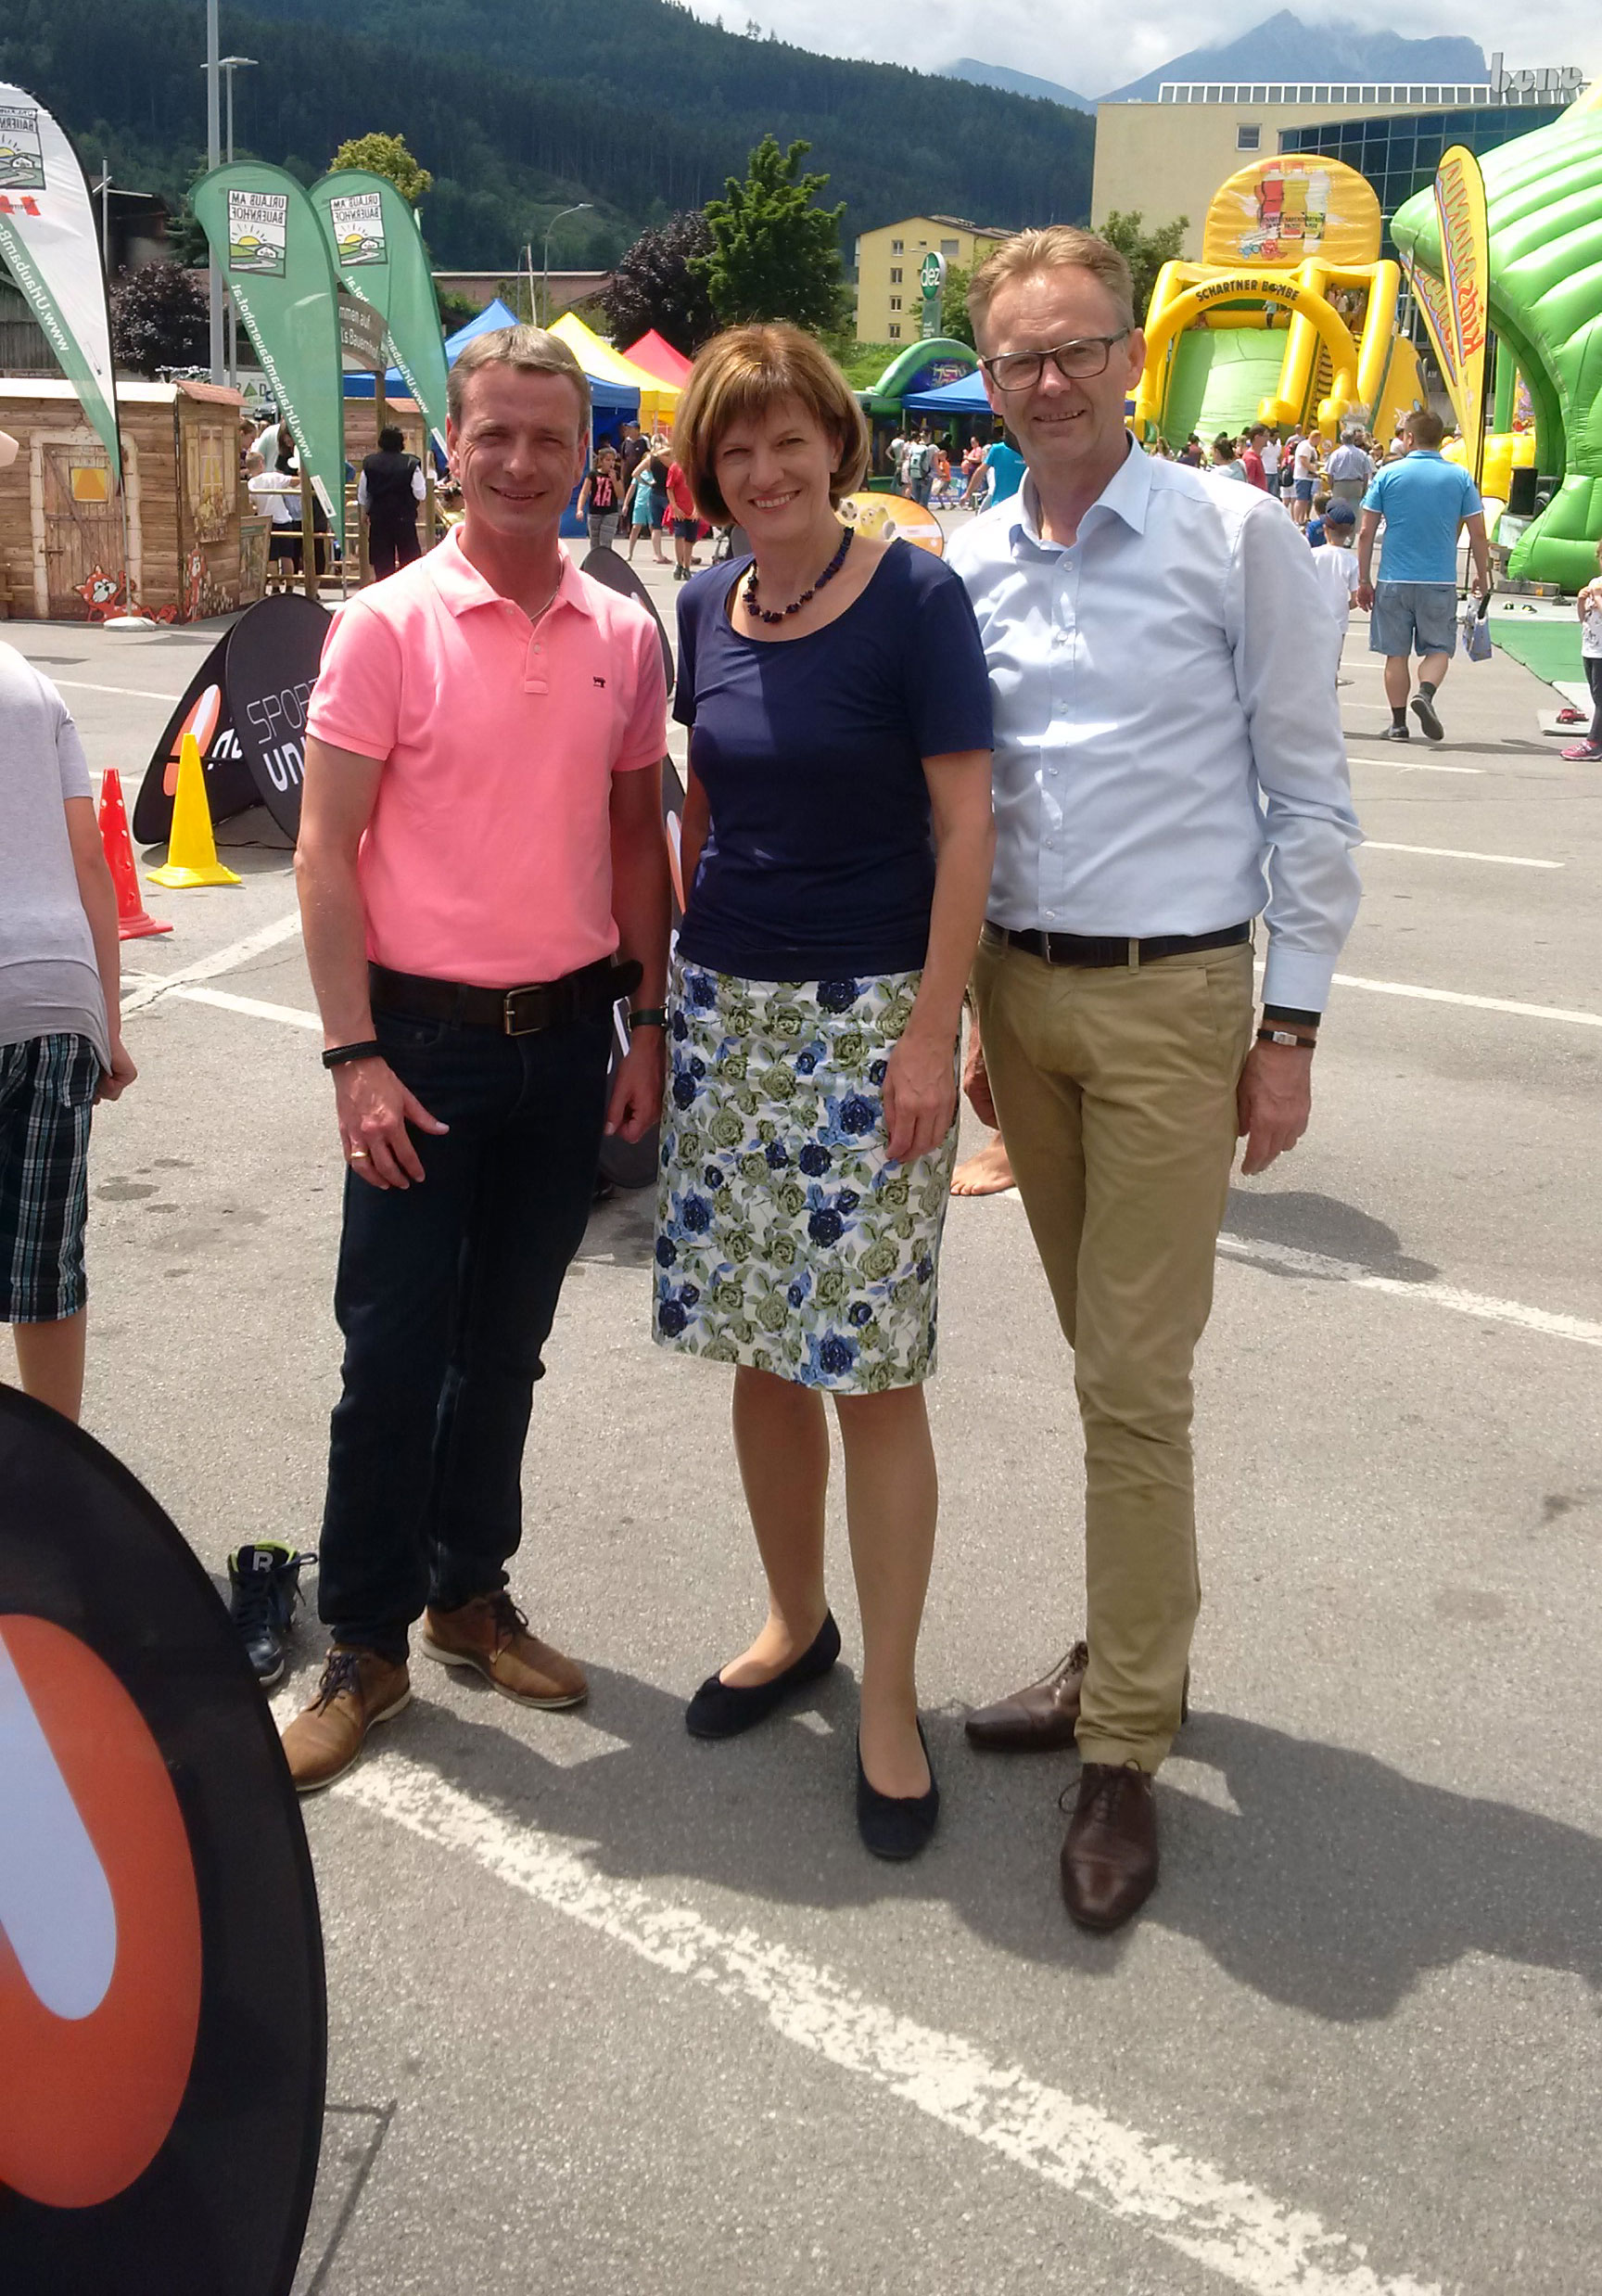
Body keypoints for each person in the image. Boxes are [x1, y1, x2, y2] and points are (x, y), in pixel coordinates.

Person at [947, 224, 1361, 1932]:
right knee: (1104, 1366)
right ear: (989, 378)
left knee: (1130, 1379)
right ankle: (1136, 1652)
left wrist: (1291, 1030)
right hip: (1020, 995)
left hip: (1176, 1002)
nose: (1048, 381)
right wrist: (976, 1017)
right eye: (1018, 357)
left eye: (1077, 349)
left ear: (1134, 358)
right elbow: (977, 803)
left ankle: (1121, 1737)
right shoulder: (968, 554)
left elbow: (1309, 792)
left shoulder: (1235, 534)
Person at [280, 325, 671, 1792]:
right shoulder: (384, 625)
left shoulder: (624, 633)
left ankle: (466, 1591)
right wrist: (351, 1054)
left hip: (564, 1047)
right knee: (389, 1358)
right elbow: (324, 851)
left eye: (547, 437)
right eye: (492, 434)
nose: (518, 461)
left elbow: (635, 841)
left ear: (589, 458)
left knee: (506, 1348)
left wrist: (648, 1022)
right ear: (452, 446)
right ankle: (362, 1642)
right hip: (419, 1049)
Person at [656, 324, 995, 1858]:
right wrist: (674, 995)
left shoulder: (915, 598)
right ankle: (794, 1624)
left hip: (870, 1024)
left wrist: (932, 1035)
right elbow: (706, 802)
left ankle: (889, 1701)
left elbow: (966, 826)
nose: (764, 469)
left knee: (870, 1368)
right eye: (735, 448)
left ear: (836, 444)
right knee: (760, 1349)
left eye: (787, 438)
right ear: (707, 472)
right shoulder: (702, 605)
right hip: (726, 1013)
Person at [0, 641, 136, 1423]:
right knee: (45, 1265)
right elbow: (90, 860)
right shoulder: (33, 686)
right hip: (56, 999)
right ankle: (52, 1465)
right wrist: (107, 1026)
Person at [1356, 406, 1491, 744]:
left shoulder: (1388, 474)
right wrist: (1482, 575)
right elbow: (1478, 533)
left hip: (1394, 578)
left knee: (1395, 654)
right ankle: (1425, 693)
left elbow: (1366, 532)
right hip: (1439, 580)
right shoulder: (1460, 477)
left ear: (1409, 438)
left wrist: (1363, 580)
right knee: (1439, 648)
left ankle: (1398, 724)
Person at [358, 425, 426, 582]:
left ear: (380, 442)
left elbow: (363, 493)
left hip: (379, 519)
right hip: (404, 518)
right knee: (409, 563)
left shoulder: (369, 463)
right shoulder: (411, 463)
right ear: (401, 443)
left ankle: (385, 594)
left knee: (382, 564)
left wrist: (364, 512)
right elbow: (420, 493)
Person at [1308, 498, 1359, 679]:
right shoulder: (1351, 560)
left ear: (1325, 529)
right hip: (1338, 623)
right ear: (1350, 532)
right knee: (1331, 669)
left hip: (1312, 619)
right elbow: (1356, 598)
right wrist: (1345, 606)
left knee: (1311, 666)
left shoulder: (1312, 555)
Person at [1562, 539, 1602, 762]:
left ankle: (1593, 743)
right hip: (1591, 647)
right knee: (1597, 696)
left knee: (1601, 698)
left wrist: (1598, 597)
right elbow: (1584, 618)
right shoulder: (1596, 583)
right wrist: (1581, 601)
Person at [622, 448, 668, 563]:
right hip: (640, 503)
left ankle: (657, 553)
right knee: (635, 528)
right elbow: (632, 489)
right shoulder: (642, 474)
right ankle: (630, 552)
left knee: (654, 527)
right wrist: (626, 504)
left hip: (651, 503)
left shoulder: (655, 474)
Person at [577, 442, 622, 551]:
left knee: (605, 543)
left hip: (610, 512)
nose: (611, 463)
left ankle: (605, 560)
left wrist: (614, 481)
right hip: (595, 512)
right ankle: (595, 560)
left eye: (613, 460)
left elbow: (620, 495)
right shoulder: (593, 475)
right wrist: (579, 509)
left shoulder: (616, 475)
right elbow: (584, 492)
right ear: (601, 461)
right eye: (608, 460)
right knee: (595, 542)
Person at [666, 448, 700, 580]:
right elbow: (670, 488)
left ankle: (687, 566)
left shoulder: (695, 470)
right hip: (679, 509)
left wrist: (697, 508)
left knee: (690, 540)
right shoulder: (675, 468)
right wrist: (674, 507)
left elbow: (698, 490)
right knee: (679, 536)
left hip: (692, 510)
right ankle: (679, 564)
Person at [1326, 428, 1374, 507]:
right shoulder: (1362, 454)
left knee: (1339, 510)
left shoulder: (1335, 454)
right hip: (1356, 485)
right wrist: (1364, 488)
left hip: (1340, 484)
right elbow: (1366, 474)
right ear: (1353, 439)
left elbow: (1329, 473)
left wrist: (1332, 487)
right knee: (1355, 510)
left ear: (1341, 439)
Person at [981, 429, 1026, 504]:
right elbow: (981, 471)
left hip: (1021, 503)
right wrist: (968, 493)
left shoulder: (1028, 450)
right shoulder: (998, 449)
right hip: (1000, 502)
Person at [1290, 427, 1319, 525]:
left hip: (1309, 477)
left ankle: (1302, 519)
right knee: (1301, 499)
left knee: (1306, 500)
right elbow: (1304, 461)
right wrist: (1315, 471)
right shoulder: (1305, 446)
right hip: (1302, 476)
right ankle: (1296, 520)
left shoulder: (1312, 447)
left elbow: (1313, 461)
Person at [1240, 425, 1269, 491]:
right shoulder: (1250, 459)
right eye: (1265, 436)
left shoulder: (1256, 457)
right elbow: (1248, 484)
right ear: (1257, 437)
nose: (1268, 439)